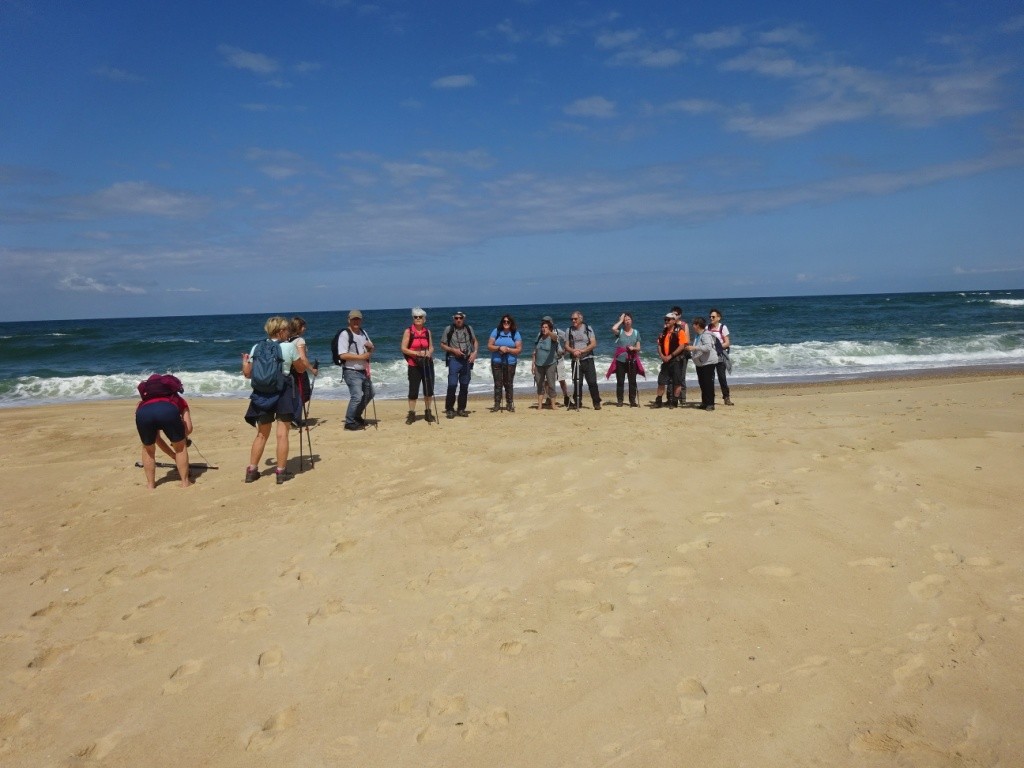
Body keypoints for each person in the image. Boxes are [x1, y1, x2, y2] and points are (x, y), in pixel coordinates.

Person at [242, 316, 309, 484]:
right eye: (286, 330)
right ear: (280, 331)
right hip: (283, 391)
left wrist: (244, 362)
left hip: (262, 392)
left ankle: (252, 471)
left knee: (262, 434)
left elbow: (247, 373)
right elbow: (300, 369)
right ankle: (280, 472)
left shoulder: (257, 347)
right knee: (282, 434)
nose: (288, 333)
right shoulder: (289, 347)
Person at [135, 375, 193, 489]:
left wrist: (172, 455)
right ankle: (185, 482)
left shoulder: (141, 403)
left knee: (148, 450)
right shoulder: (178, 399)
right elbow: (189, 428)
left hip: (143, 414)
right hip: (169, 410)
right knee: (180, 448)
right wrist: (181, 436)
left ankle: (151, 484)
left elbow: (156, 438)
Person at [335, 309, 375, 431]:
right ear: (349, 320)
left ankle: (356, 416)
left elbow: (371, 348)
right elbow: (342, 355)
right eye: (354, 319)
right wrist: (361, 357)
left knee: (370, 393)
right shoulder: (345, 334)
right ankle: (349, 421)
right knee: (357, 396)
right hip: (351, 370)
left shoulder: (363, 333)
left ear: (361, 320)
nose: (356, 321)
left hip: (363, 370)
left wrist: (370, 348)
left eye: (358, 319)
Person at [400, 307, 436, 425]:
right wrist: (416, 353)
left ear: (424, 319)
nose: (418, 319)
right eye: (416, 317)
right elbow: (403, 348)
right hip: (414, 364)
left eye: (420, 317)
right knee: (413, 390)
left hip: (427, 363)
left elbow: (431, 347)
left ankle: (428, 412)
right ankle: (411, 413)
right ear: (413, 318)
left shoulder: (427, 332)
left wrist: (429, 353)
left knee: (428, 389)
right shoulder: (408, 331)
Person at [440, 310, 478, 418]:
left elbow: (475, 341)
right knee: (452, 384)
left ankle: (461, 409)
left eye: (460, 318)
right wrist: (453, 350)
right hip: (454, 359)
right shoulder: (449, 329)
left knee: (464, 385)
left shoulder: (469, 328)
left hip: (466, 360)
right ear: (454, 319)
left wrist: (474, 353)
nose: (458, 320)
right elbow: (442, 345)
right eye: (456, 318)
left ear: (463, 318)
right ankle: (449, 409)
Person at [565, 310, 601, 410]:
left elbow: (593, 343)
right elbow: (566, 346)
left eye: (575, 319)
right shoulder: (569, 330)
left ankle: (596, 402)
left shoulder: (588, 328)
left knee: (592, 382)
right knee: (577, 383)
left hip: (588, 359)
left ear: (581, 319)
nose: (573, 320)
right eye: (572, 319)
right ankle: (578, 403)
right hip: (576, 360)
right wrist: (573, 351)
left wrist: (582, 351)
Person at [487, 313, 523, 412]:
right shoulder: (496, 331)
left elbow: (519, 349)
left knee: (509, 383)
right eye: (504, 321)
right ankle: (497, 404)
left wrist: (508, 350)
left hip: (510, 362)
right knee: (498, 383)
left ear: (511, 323)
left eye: (508, 321)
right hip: (497, 362)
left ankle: (509, 404)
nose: (506, 323)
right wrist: (499, 348)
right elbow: (489, 346)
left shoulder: (515, 333)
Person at [684, 316, 720, 411]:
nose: (693, 326)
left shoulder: (706, 335)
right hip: (700, 363)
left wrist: (694, 348)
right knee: (702, 383)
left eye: (694, 324)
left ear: (698, 325)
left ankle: (710, 404)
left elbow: (708, 347)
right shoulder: (698, 335)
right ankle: (705, 402)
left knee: (708, 383)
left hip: (708, 362)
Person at [289, 316, 319, 422]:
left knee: (295, 394)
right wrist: (312, 369)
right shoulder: (299, 340)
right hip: (299, 370)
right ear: (298, 327)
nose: (305, 328)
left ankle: (293, 416)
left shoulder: (288, 340)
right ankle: (296, 418)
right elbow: (303, 358)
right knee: (304, 393)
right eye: (303, 326)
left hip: (290, 371)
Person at [654, 313, 687, 408]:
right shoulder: (663, 332)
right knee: (661, 381)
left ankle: (674, 402)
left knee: (677, 382)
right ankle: (659, 401)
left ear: (674, 320)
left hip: (676, 360)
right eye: (665, 320)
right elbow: (659, 345)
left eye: (668, 320)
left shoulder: (679, 331)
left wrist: (671, 355)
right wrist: (662, 355)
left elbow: (682, 346)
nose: (666, 322)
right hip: (665, 361)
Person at [609, 312, 642, 407]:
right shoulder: (621, 332)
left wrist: (634, 348)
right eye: (625, 320)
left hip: (632, 360)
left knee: (632, 381)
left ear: (632, 320)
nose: (627, 321)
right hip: (620, 360)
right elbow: (613, 328)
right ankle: (620, 400)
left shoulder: (636, 332)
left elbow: (639, 348)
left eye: (629, 319)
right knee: (620, 381)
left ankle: (632, 401)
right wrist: (620, 320)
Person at [542, 315, 572, 407]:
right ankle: (548, 397)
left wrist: (565, 350)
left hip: (558, 359)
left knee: (561, 379)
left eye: (547, 322)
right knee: (547, 381)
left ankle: (566, 397)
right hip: (547, 360)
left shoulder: (557, 332)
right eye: (544, 322)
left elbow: (568, 338)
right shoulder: (541, 333)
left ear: (551, 323)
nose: (545, 323)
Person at [532, 318, 559, 410]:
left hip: (550, 364)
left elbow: (555, 338)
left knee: (551, 384)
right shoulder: (539, 336)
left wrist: (549, 332)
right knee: (540, 384)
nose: (544, 329)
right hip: (538, 365)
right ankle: (540, 405)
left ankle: (553, 405)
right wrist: (533, 364)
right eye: (542, 327)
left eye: (546, 327)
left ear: (550, 328)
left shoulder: (552, 336)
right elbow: (535, 351)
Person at [708, 308, 733, 406]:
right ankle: (710, 398)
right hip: (710, 356)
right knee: (710, 378)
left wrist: (716, 347)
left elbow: (727, 343)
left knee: (722, 377)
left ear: (719, 318)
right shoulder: (707, 328)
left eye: (713, 317)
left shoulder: (723, 327)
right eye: (710, 316)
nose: (711, 318)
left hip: (720, 356)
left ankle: (726, 397)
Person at [670, 305, 691, 403]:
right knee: (671, 377)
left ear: (680, 315)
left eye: (676, 314)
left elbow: (687, 340)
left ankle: (682, 399)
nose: (674, 316)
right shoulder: (669, 324)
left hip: (682, 354)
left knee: (681, 376)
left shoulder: (684, 325)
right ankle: (671, 398)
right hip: (672, 354)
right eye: (672, 314)